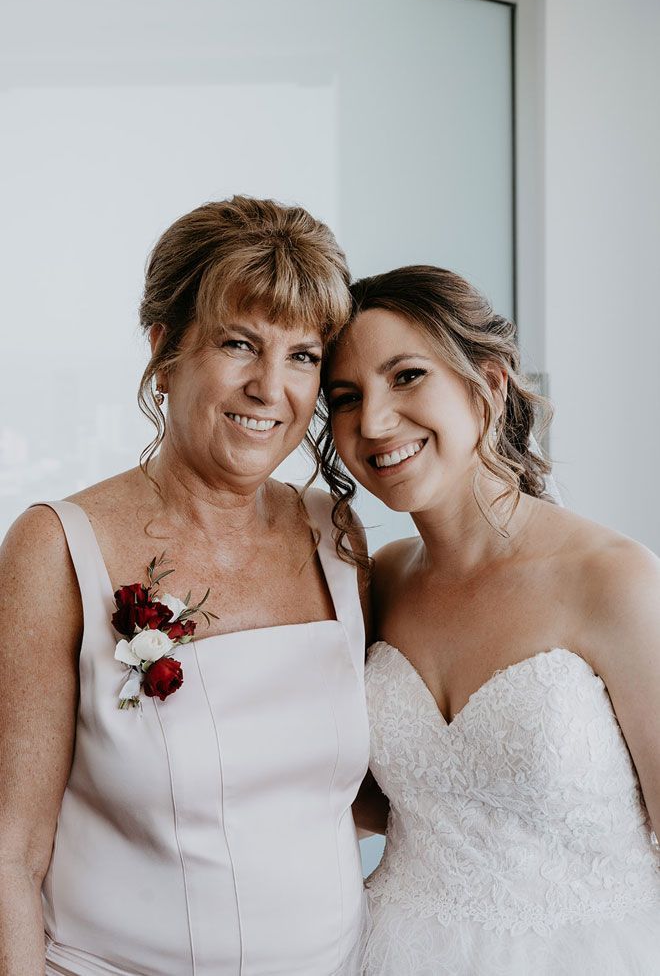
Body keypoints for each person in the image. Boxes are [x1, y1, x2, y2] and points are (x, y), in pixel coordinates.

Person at [0, 196, 371, 976]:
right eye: (240, 344)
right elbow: (12, 849)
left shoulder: (335, 535)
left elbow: (342, 793)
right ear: (165, 351)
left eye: (303, 356)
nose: (272, 388)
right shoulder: (56, 548)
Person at [319, 265, 660, 975]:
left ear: (491, 382)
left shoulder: (613, 578)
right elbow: (367, 799)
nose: (375, 422)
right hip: (389, 948)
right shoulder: (375, 580)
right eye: (346, 397)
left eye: (407, 376)